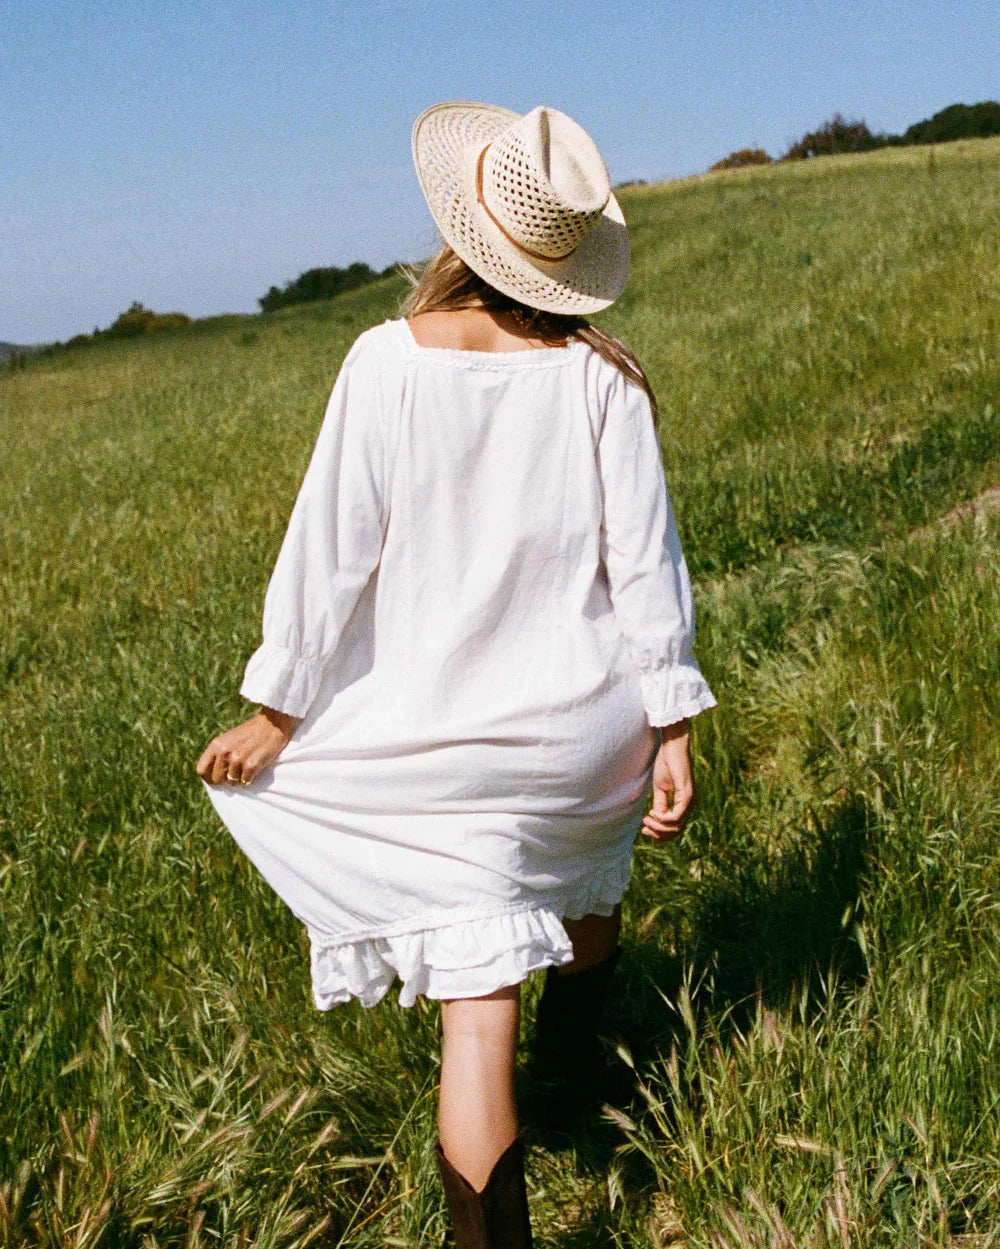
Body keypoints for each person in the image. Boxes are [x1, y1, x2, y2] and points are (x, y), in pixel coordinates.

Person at [197, 101, 717, 1249]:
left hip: (447, 747)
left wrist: (277, 709)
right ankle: (582, 1077)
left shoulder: (385, 361)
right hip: (587, 736)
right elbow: (647, 566)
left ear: (460, 229)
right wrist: (672, 723)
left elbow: (328, 549)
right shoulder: (603, 376)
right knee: (584, 871)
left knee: (473, 1025)